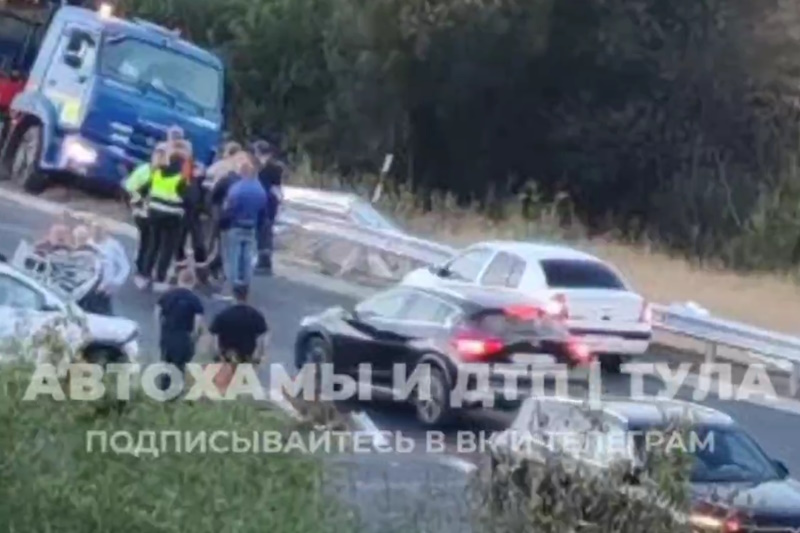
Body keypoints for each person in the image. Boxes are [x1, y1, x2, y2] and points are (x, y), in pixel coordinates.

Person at [139, 147, 189, 292]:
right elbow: (189, 199)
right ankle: (160, 279)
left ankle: (145, 275)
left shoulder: (158, 172)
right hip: (172, 217)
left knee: (153, 245)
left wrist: (144, 205)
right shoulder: (181, 178)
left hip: (154, 213)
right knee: (167, 248)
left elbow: (143, 190)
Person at [219, 155, 267, 296]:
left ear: (242, 173)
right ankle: (245, 285)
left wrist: (223, 222)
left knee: (234, 257)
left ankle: (234, 285)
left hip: (236, 225)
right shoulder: (260, 190)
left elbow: (229, 208)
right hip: (251, 227)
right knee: (246, 257)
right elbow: (264, 212)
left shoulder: (236, 189)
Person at [124, 146, 167, 289]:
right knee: (148, 241)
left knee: (153, 243)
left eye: (163, 156)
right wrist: (137, 206)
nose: (160, 159)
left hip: (157, 213)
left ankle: (145, 270)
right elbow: (130, 188)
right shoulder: (144, 171)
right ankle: (142, 270)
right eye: (158, 156)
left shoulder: (165, 173)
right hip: (143, 212)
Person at [155, 268, 204, 392]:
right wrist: (195, 336)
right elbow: (198, 322)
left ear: (179, 280)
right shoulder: (195, 300)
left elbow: (157, 313)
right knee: (179, 367)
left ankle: (164, 391)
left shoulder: (167, 295)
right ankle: (176, 393)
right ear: (193, 282)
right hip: (183, 336)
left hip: (168, 334)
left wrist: (160, 328)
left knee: (166, 364)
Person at [208, 284, 268, 366]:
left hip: (227, 356)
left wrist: (216, 355)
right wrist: (258, 355)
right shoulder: (256, 315)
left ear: (233, 296)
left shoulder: (223, 315)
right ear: (247, 296)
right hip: (247, 357)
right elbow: (261, 339)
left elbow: (214, 337)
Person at [252, 140, 285, 276]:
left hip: (266, 200)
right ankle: (263, 260)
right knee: (265, 231)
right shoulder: (274, 166)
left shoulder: (261, 166)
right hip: (269, 200)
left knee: (263, 231)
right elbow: (277, 188)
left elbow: (274, 187)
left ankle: (263, 262)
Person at [89, 219, 130, 315]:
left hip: (106, 288)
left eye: (99, 230)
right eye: (94, 230)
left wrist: (115, 283)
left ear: (105, 231)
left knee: (105, 313)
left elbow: (124, 266)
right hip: (90, 288)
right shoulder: (88, 244)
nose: (97, 232)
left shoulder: (113, 245)